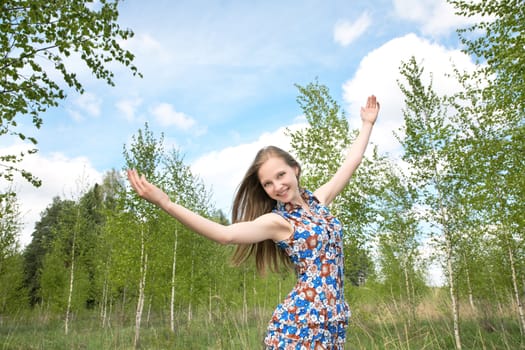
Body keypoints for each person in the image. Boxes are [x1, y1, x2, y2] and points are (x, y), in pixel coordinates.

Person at [127, 95, 380, 349]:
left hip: (334, 321)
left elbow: (351, 162)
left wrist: (367, 123)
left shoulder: (318, 202)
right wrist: (166, 204)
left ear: (295, 169)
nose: (277, 186)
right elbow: (225, 234)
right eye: (268, 183)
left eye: (281, 175)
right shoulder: (278, 221)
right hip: (301, 325)